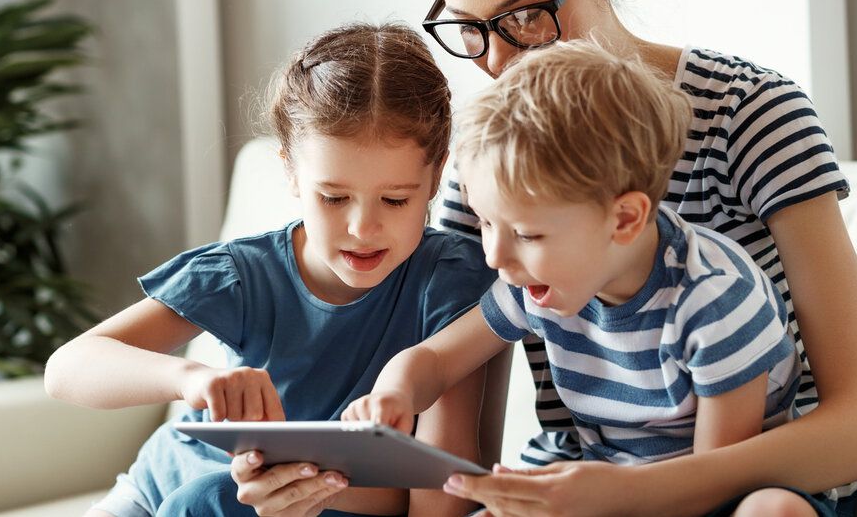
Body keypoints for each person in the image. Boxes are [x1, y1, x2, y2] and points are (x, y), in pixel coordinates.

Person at [416, 0, 857, 515]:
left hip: (755, 486)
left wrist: (632, 495)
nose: (496, 61)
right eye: (470, 28)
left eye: (526, 15)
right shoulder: (488, 161)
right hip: (583, 478)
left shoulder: (747, 115)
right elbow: (459, 435)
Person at [345, 40, 830, 515]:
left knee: (773, 510)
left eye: (527, 234)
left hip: (710, 494)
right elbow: (436, 359)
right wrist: (394, 395)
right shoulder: (536, 283)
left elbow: (713, 484)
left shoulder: (715, 301)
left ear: (624, 219)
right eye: (486, 223)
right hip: (600, 489)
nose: (495, 257)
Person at [44, 22, 496, 517]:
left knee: (210, 499)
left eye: (394, 200)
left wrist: (302, 486)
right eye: (334, 197)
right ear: (290, 172)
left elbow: (440, 493)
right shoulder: (245, 273)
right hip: (152, 491)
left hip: (274, 505)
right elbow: (67, 370)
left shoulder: (447, 283)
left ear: (436, 175)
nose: (363, 228)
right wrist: (189, 379)